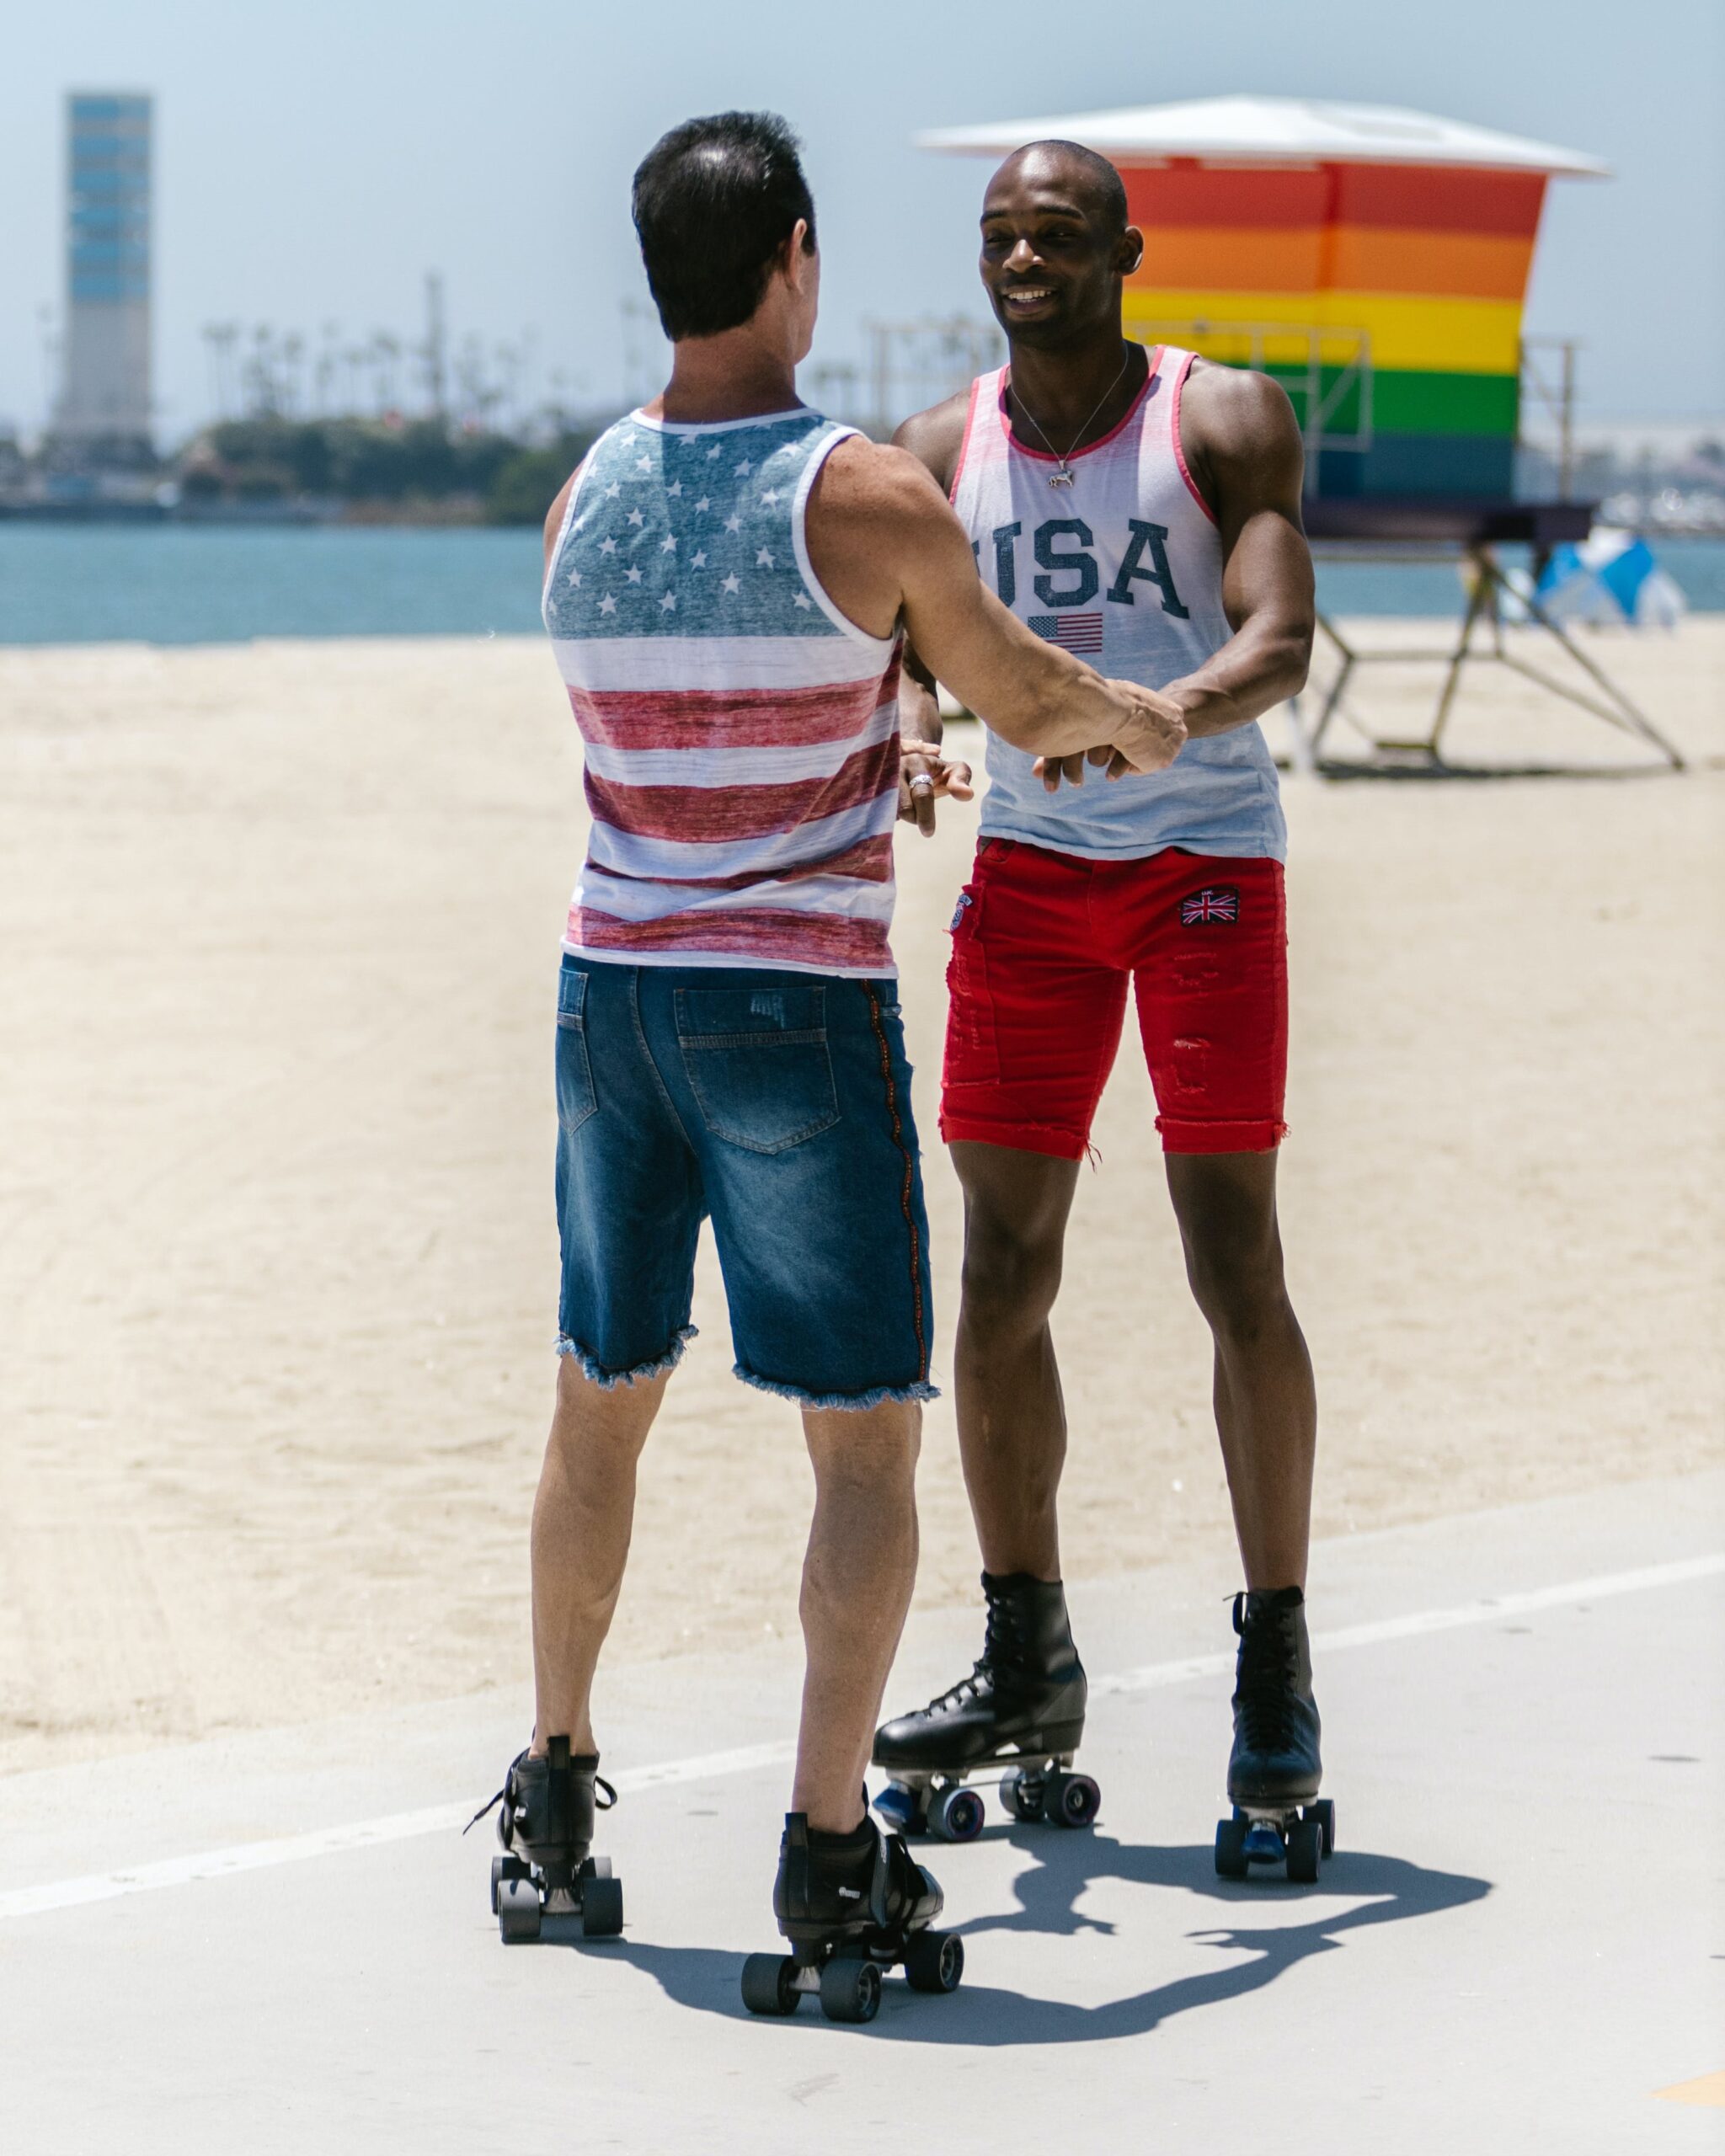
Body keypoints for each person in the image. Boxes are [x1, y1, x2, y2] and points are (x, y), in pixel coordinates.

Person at [474, 113, 1185, 1994]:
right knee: (862, 1442)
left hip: (609, 988)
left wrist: (872, 741)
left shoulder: (582, 499)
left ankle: (553, 1798)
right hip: (789, 1002)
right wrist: (1144, 716)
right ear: (794, 254)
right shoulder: (859, 491)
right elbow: (1027, 694)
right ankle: (827, 1850)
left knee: (597, 1395)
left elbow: (698, 717)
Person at [872, 140, 1326, 1858]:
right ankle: (1022, 1643)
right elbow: (905, 643)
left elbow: (1278, 633)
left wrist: (1159, 718)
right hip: (1033, 890)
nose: (1026, 257)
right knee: (997, 1270)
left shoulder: (1220, 422)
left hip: (1205, 863)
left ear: (1126, 250)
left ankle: (1272, 1663)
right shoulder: (936, 450)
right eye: (1000, 235)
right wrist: (911, 728)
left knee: (1234, 1260)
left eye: (1058, 233)